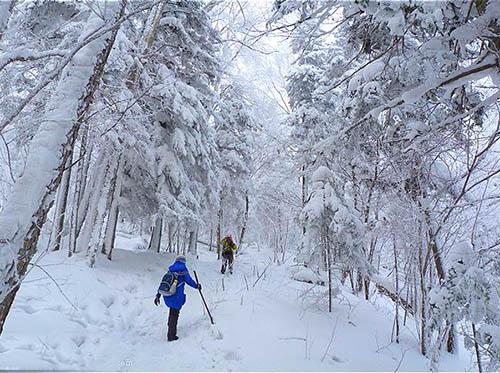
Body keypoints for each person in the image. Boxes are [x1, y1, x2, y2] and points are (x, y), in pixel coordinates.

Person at [154, 255, 201, 341]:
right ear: (183, 262)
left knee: (172, 312)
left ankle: (170, 327)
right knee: (175, 314)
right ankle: (171, 335)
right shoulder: (183, 270)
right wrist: (197, 286)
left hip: (168, 295)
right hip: (177, 296)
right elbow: (189, 281)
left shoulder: (171, 270)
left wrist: (158, 295)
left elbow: (163, 283)